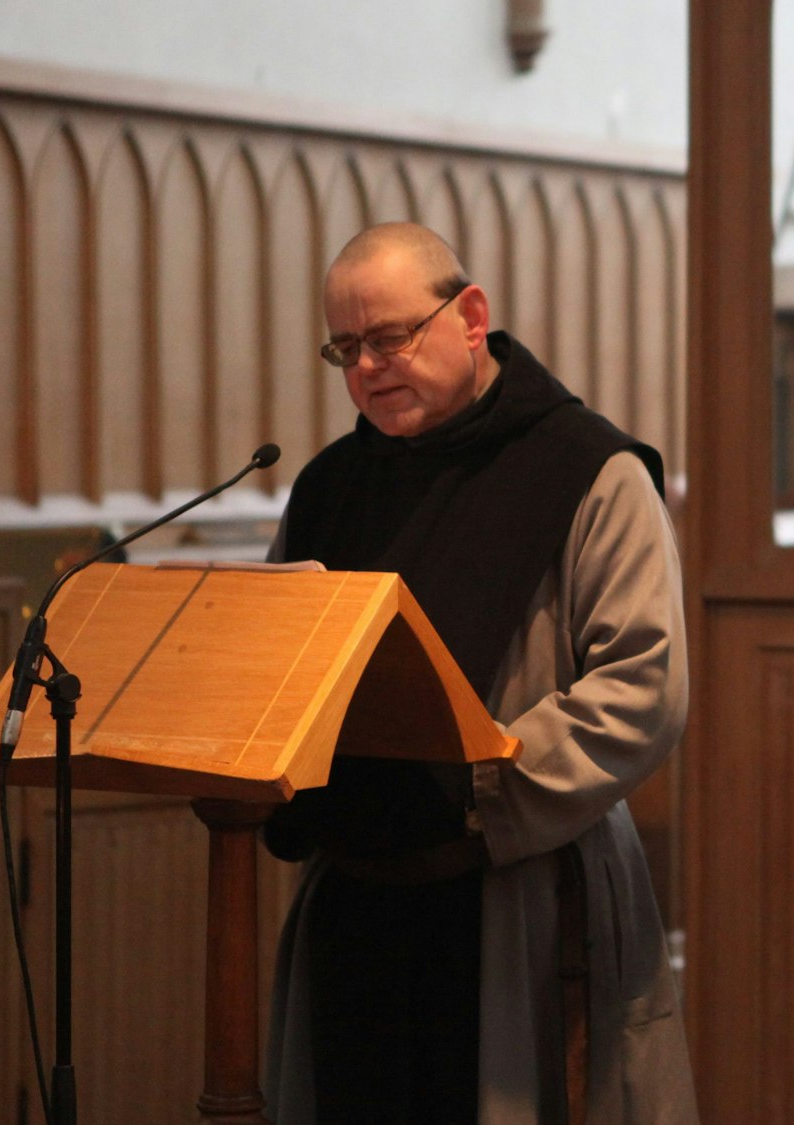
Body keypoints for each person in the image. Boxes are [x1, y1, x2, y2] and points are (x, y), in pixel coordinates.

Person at [260, 222, 698, 1125]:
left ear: (470, 315)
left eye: (390, 337)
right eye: (347, 348)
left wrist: (480, 781)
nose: (369, 367)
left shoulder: (590, 470)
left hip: (518, 900)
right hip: (356, 902)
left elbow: (643, 686)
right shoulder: (329, 487)